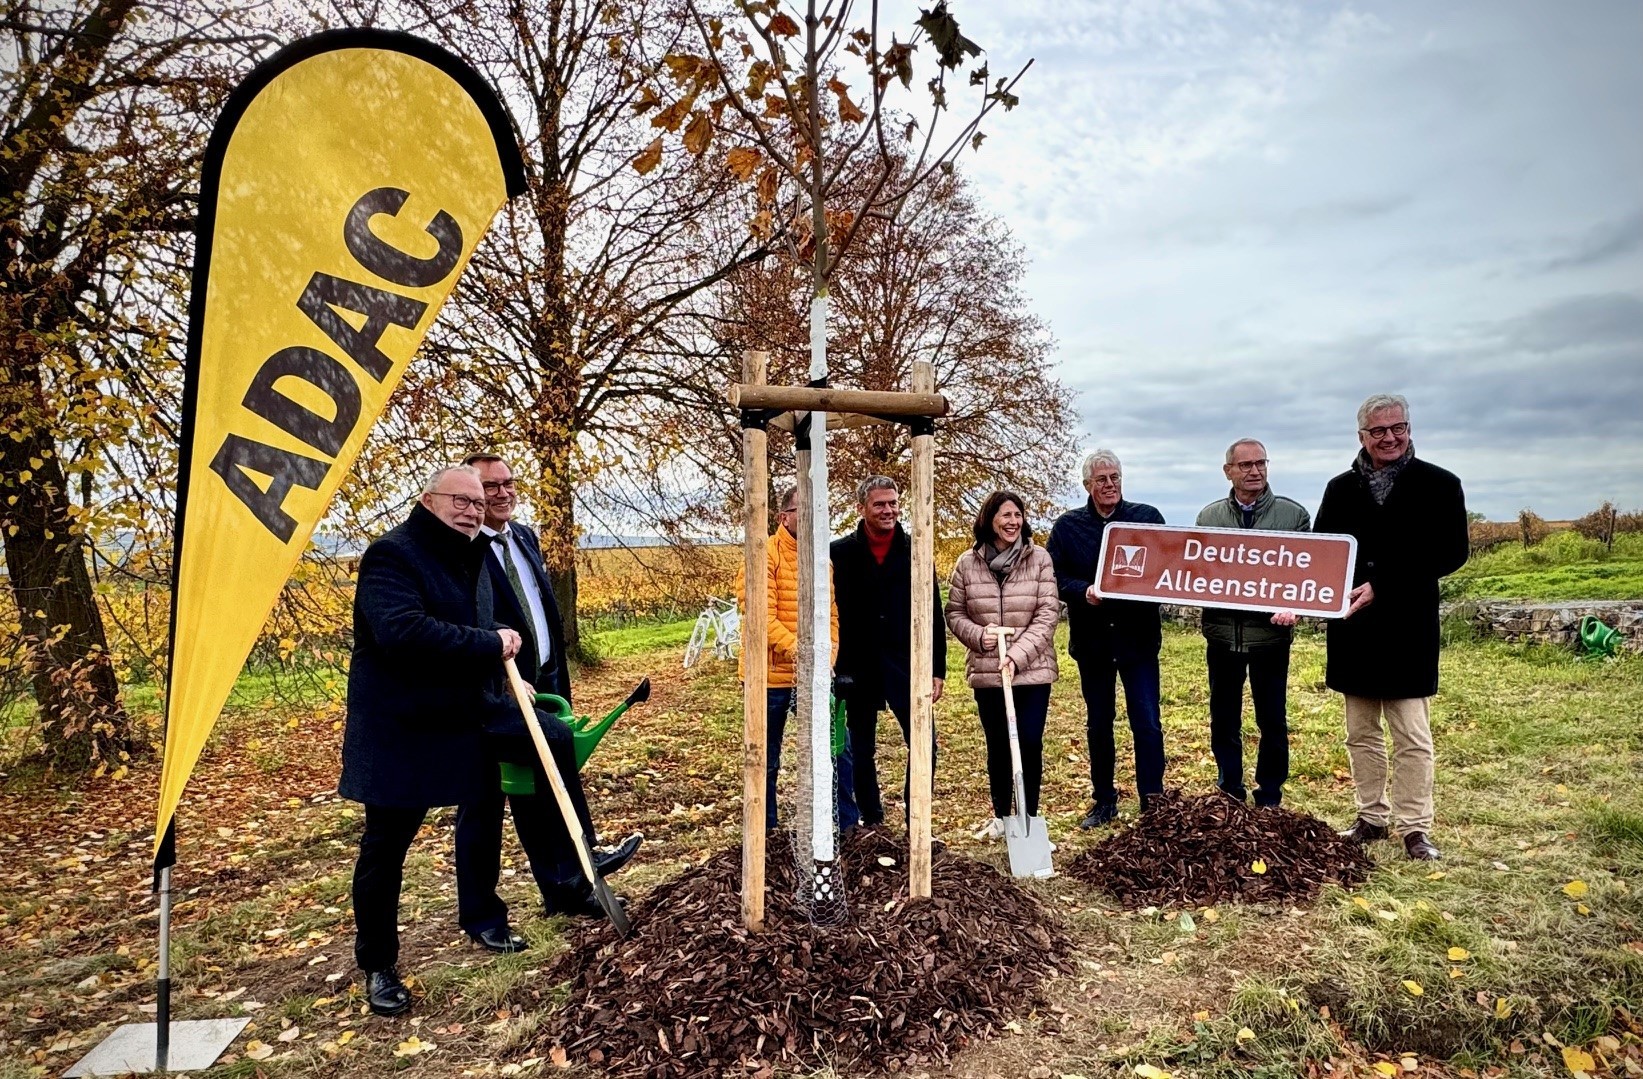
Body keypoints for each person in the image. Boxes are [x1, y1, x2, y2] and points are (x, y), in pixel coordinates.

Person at [454, 453, 639, 950]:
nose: (502, 493)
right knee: (483, 805)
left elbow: (541, 611)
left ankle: (565, 887)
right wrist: (499, 662)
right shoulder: (463, 550)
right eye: (488, 487)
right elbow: (464, 622)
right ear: (470, 495)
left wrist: (555, 671)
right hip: (494, 693)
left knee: (543, 789)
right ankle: (481, 915)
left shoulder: (524, 537)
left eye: (508, 483)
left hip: (543, 680)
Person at [1315, 395, 1467, 861]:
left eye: (1397, 427)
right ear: (1361, 436)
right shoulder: (1340, 488)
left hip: (1407, 628)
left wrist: (1383, 584)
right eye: (1378, 431)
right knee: (1361, 733)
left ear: (1409, 427)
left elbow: (1451, 552)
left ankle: (1415, 828)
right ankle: (1371, 817)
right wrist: (1306, 598)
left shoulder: (1440, 484)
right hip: (1354, 630)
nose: (1390, 437)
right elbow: (1322, 553)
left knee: (1412, 736)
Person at [1047, 450, 1167, 828]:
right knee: (1099, 723)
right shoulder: (1068, 527)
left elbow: (1168, 567)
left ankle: (1154, 800)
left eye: (1115, 477)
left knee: (1146, 722)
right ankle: (1103, 801)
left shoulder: (1147, 519)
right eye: (1101, 479)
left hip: (1138, 642)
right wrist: (1084, 591)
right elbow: (1054, 576)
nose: (1110, 484)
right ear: (1087, 485)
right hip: (1094, 643)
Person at [1194, 439, 1312, 807]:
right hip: (1222, 635)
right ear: (1228, 471)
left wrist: (1295, 605)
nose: (1255, 471)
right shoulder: (1208, 518)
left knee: (1272, 720)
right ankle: (1229, 787)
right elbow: (1198, 572)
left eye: (1261, 463)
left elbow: (1308, 572)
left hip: (1270, 638)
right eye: (1245, 465)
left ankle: (1270, 794)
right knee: (1224, 718)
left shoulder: (1293, 516)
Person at [735, 485, 858, 833]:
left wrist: (828, 655)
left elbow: (831, 615)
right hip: (770, 677)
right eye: (804, 511)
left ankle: (846, 826)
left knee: (837, 750)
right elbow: (761, 617)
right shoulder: (764, 555)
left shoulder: (822, 560)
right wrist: (802, 653)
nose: (812, 519)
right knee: (766, 758)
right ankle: (766, 830)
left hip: (814, 676)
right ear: (783, 516)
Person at [830, 476, 947, 828]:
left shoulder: (917, 550)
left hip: (905, 664)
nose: (889, 510)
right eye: (880, 504)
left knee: (924, 743)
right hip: (854, 666)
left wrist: (936, 669)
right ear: (861, 508)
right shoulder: (840, 554)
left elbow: (933, 613)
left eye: (893, 503)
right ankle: (872, 818)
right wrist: (831, 663)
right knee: (859, 748)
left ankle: (917, 820)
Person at [944, 491, 1060, 837]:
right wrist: (982, 637)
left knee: (1029, 742)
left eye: (1017, 515)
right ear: (990, 520)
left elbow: (1048, 612)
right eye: (1005, 515)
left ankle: (1030, 818)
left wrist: (1016, 654)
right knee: (997, 744)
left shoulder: (1039, 558)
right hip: (989, 671)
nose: (1013, 522)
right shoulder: (968, 562)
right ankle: (1001, 816)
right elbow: (954, 612)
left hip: (1033, 670)